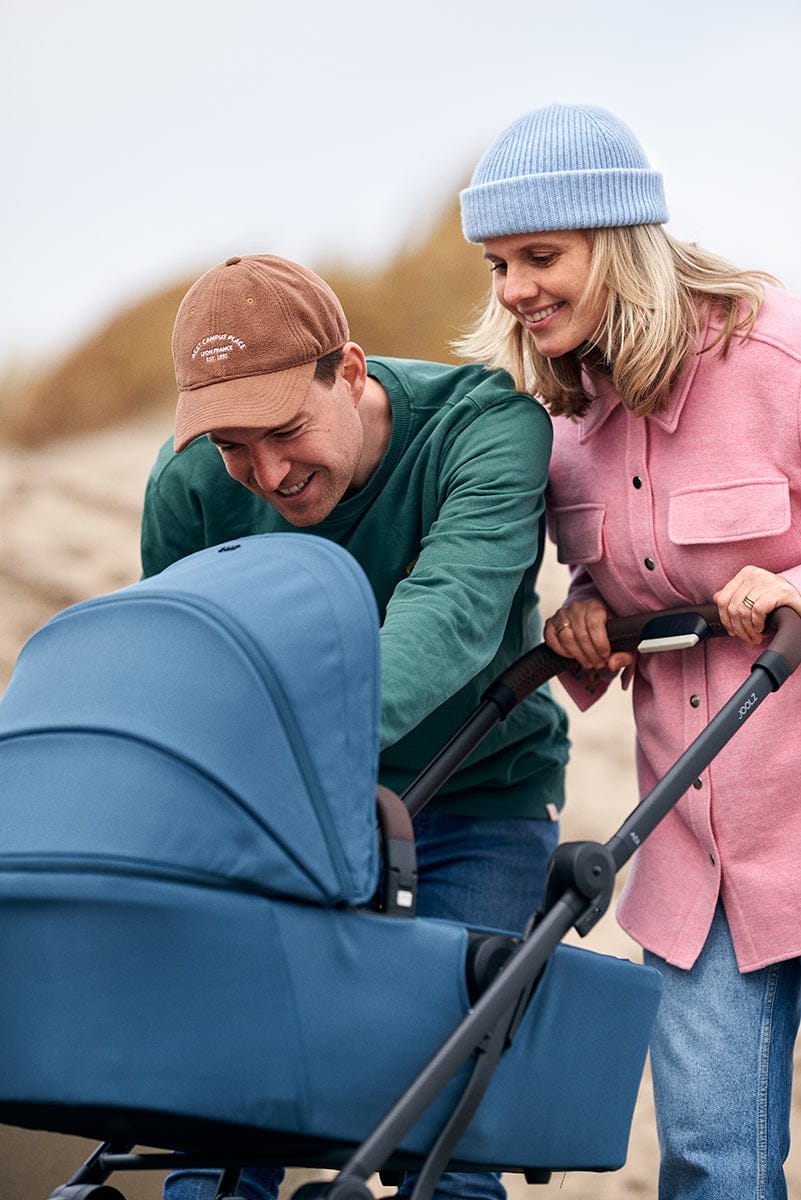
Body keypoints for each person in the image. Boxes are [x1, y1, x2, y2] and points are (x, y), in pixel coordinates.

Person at [140, 253, 569, 1200]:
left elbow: (451, 608)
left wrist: (293, 745)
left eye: (287, 431)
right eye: (233, 449)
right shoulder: (189, 488)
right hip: (282, 818)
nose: (269, 472)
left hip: (474, 791)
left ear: (352, 368)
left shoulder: (487, 428)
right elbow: (184, 661)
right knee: (219, 1111)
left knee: (444, 1128)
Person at [457, 101, 801, 1199]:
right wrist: (585, 627)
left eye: (540, 256)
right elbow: (612, 606)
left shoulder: (776, 351)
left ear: (621, 243)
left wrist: (792, 585)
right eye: (498, 262)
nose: (513, 289)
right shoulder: (554, 428)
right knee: (710, 1167)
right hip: (693, 864)